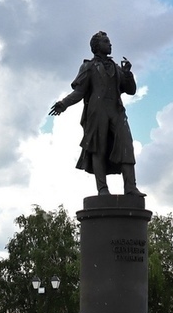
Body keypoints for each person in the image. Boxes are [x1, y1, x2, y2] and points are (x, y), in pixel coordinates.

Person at [48, 31, 139, 196]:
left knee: (126, 146)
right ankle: (102, 189)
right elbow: (79, 92)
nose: (110, 44)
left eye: (109, 41)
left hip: (117, 111)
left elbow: (131, 91)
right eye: (106, 42)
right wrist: (64, 103)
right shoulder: (88, 67)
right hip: (97, 112)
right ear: (97, 46)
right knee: (99, 149)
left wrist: (127, 74)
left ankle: (131, 187)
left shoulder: (117, 68)